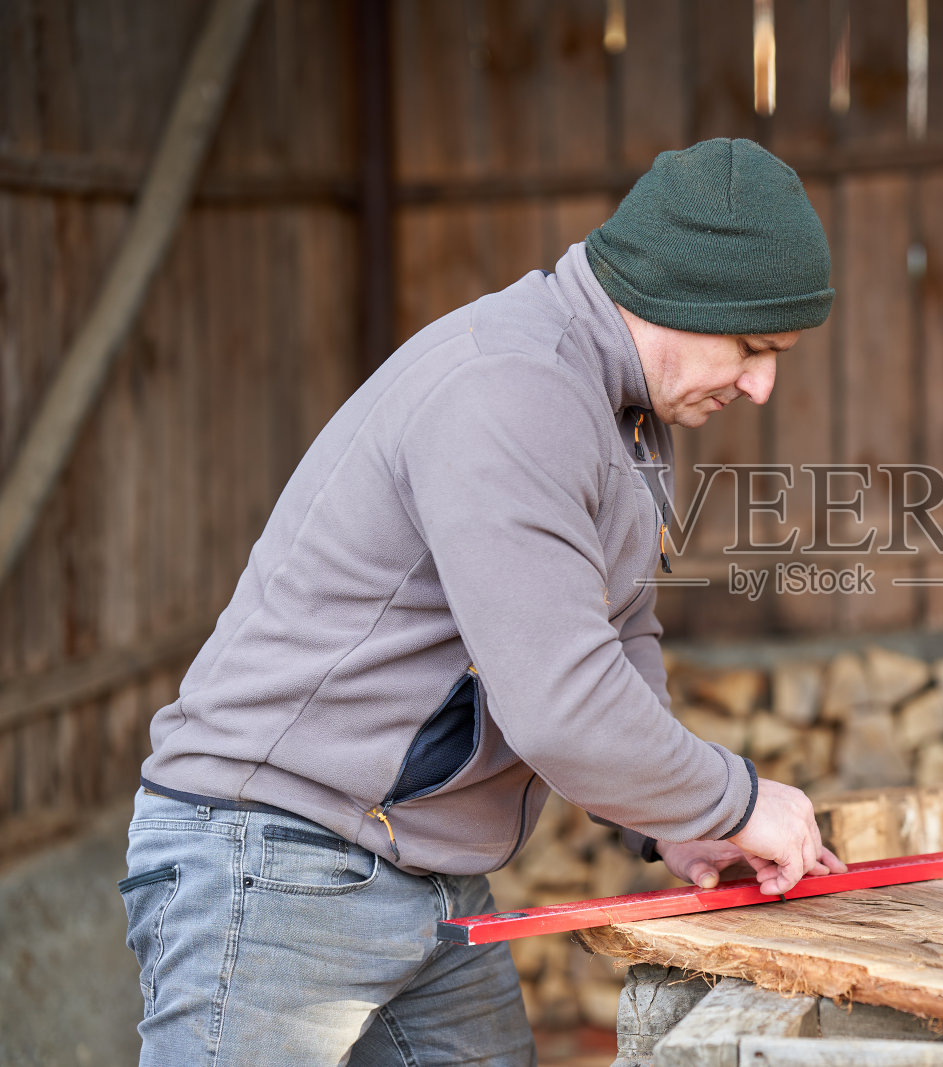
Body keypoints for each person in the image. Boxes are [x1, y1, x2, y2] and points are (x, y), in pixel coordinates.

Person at [120, 137, 847, 1066]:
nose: (762, 382)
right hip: (278, 852)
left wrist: (673, 818)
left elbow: (619, 631)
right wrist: (736, 800)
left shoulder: (623, 412)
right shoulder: (514, 389)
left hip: (421, 869)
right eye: (752, 346)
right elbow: (562, 701)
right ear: (680, 295)